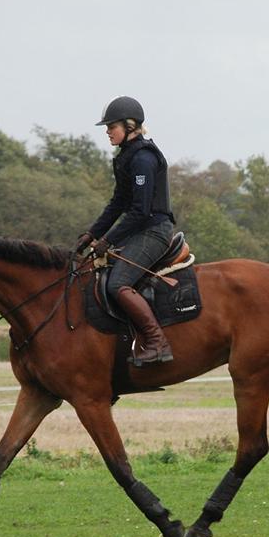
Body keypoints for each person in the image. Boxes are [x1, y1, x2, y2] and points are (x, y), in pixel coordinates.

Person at [75, 95, 175, 366]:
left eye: (112, 126)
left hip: (154, 230)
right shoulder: (125, 157)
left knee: (118, 283)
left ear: (130, 126)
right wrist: (91, 234)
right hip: (138, 230)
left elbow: (140, 212)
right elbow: (118, 203)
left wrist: (107, 240)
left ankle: (157, 343)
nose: (107, 132)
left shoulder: (143, 158)